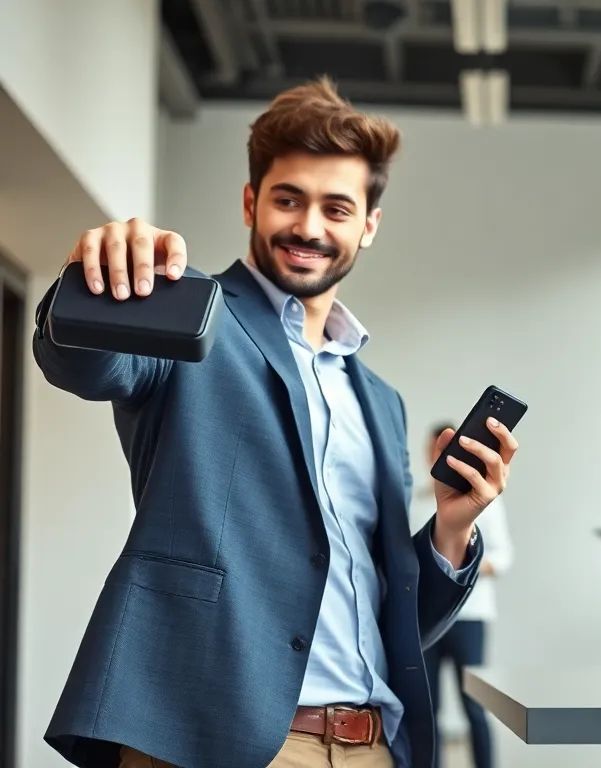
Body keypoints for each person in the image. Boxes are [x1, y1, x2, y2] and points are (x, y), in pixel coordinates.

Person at [32, 77, 520, 768]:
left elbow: (390, 612)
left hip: (370, 746)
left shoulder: (381, 400)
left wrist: (452, 528)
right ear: (250, 202)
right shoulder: (190, 316)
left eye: (337, 207)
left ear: (369, 225)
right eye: (288, 199)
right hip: (203, 736)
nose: (310, 227)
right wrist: (93, 280)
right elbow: (85, 363)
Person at [414, 421, 512, 768]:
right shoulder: (417, 500)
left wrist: (455, 560)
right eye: (433, 450)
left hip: (470, 617)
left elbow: (503, 557)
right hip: (424, 618)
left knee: (475, 705)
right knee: (428, 706)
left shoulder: (485, 500)